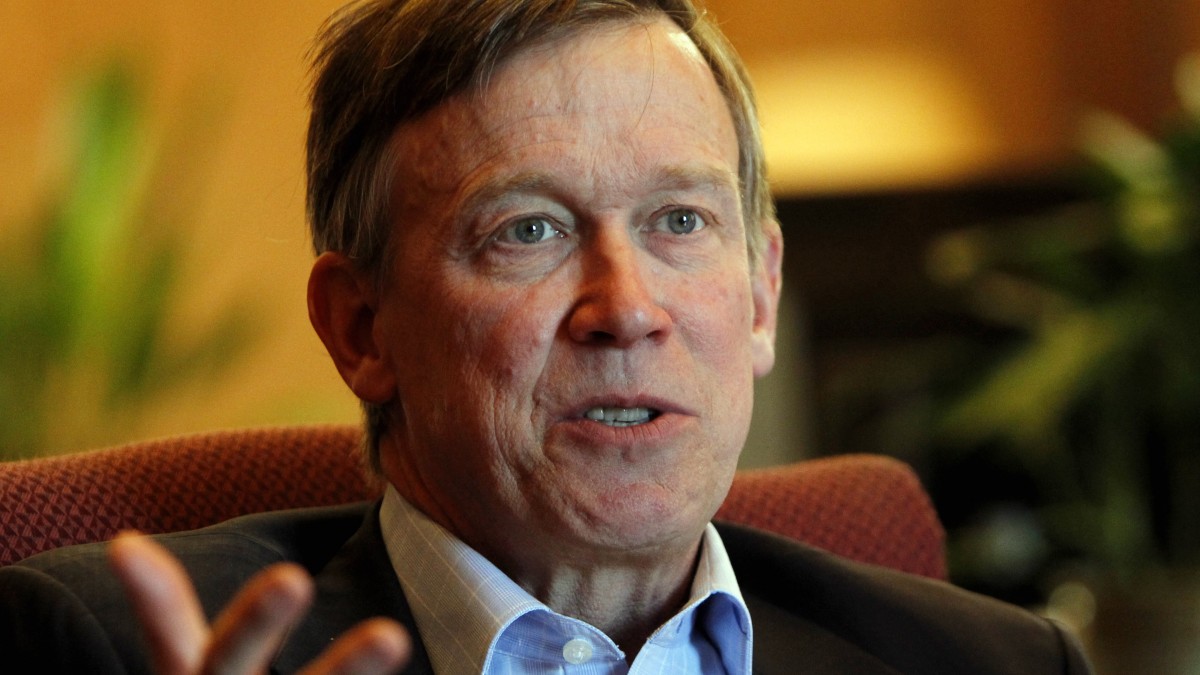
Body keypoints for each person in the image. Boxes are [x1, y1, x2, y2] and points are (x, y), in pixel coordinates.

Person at [0, 1, 1093, 673]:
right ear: (361, 328)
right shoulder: (104, 647)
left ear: (761, 297)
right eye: (529, 230)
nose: (627, 306)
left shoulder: (995, 661)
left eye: (680, 221)